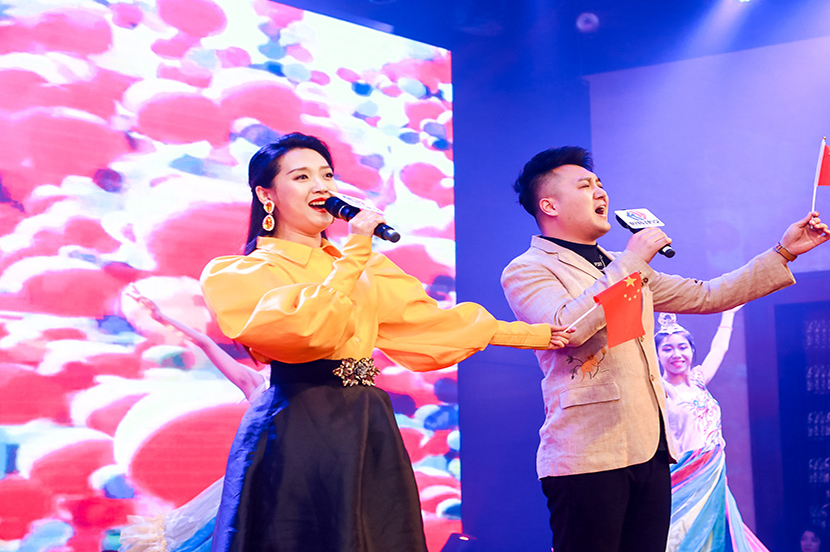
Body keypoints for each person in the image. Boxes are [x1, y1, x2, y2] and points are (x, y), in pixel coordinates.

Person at [198, 132, 571, 552]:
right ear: (266, 195)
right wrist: (355, 251)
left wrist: (535, 334)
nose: (321, 187)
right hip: (298, 421)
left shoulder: (365, 267)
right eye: (301, 177)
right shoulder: (241, 272)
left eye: (326, 175)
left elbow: (428, 325)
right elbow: (305, 329)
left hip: (364, 419)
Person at [500, 146, 830, 552]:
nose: (601, 193)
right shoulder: (529, 268)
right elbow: (567, 328)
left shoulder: (624, 265)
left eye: (600, 184)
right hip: (588, 455)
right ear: (549, 205)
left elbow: (709, 294)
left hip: (652, 452)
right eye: (585, 186)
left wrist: (783, 252)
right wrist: (632, 262)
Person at [119, 288, 267, 552]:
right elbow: (205, 342)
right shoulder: (257, 383)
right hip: (264, 478)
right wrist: (162, 318)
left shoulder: (319, 388)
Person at [657, 307, 768, 552]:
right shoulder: (661, 390)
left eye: (682, 347)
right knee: (684, 536)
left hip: (714, 472)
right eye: (667, 349)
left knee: (716, 535)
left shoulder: (699, 380)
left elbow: (719, 348)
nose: (676, 354)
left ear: (692, 350)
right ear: (657, 355)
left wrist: (729, 314)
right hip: (685, 473)